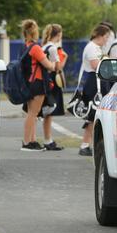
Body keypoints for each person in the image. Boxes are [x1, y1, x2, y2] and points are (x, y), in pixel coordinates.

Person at [20, 19, 58, 152]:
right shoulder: (35, 48)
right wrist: (54, 63)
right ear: (34, 32)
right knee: (33, 113)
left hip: (29, 83)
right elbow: (49, 66)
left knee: (31, 113)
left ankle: (31, 140)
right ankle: (26, 142)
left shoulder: (25, 46)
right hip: (38, 83)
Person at [78, 24, 111, 156]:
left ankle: (90, 144)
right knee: (92, 114)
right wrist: (109, 62)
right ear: (99, 36)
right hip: (94, 82)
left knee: (96, 114)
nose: (107, 40)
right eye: (106, 37)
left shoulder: (97, 47)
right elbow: (95, 65)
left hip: (98, 81)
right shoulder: (92, 47)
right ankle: (85, 144)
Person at [40, 23, 67, 151]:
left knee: (47, 113)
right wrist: (65, 58)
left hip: (45, 79)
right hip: (51, 81)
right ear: (59, 34)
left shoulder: (44, 46)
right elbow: (57, 67)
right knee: (49, 112)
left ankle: (48, 139)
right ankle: (47, 140)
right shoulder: (53, 48)